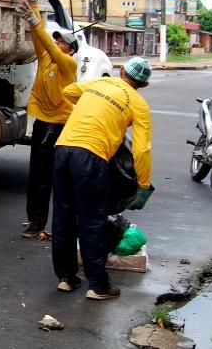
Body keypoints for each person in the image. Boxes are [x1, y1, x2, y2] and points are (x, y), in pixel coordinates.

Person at [51, 57, 154, 301]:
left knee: (63, 216)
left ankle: (67, 277)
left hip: (62, 150)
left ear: (121, 71)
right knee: (92, 219)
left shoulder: (97, 84)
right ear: (143, 84)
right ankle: (97, 284)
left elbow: (68, 90)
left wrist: (90, 101)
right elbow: (142, 149)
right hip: (91, 156)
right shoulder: (138, 103)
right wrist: (144, 185)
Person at [15, 0, 78, 240]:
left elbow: (49, 46)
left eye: (61, 41)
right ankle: (35, 220)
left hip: (60, 125)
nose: (57, 43)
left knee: (52, 178)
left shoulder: (68, 65)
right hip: (44, 123)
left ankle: (49, 223)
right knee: (37, 175)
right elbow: (41, 39)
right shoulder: (47, 61)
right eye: (57, 41)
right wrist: (32, 2)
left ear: (70, 49)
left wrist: (35, 22)